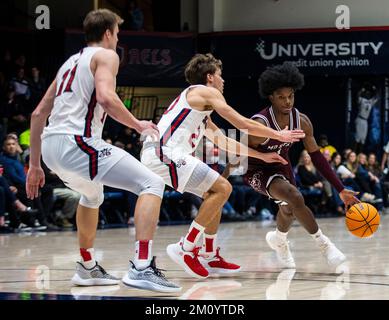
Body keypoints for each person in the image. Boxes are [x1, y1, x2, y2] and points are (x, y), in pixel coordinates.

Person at [25, 9, 180, 293]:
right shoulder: (107, 56)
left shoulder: (68, 64)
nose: (117, 39)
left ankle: (86, 266)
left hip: (50, 147)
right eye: (117, 33)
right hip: (77, 142)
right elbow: (107, 98)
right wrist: (138, 124)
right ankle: (142, 267)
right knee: (152, 183)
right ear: (108, 33)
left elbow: (37, 115)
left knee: (92, 194)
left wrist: (34, 165)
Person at [141, 53, 305, 279]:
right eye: (220, 75)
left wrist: (261, 156)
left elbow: (223, 141)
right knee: (223, 187)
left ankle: (209, 254)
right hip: (163, 152)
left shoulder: (200, 109)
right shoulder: (204, 92)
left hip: (162, 154)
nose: (223, 80)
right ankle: (186, 247)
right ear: (210, 77)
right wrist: (279, 134)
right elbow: (241, 123)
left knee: (215, 192)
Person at [244, 62, 359, 269]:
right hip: (257, 168)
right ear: (271, 96)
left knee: (288, 210)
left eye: (291, 96)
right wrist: (221, 179)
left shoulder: (302, 121)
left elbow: (317, 157)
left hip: (282, 167)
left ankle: (279, 240)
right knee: (295, 197)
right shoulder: (259, 124)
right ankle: (325, 246)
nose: (287, 101)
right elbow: (237, 151)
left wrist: (340, 189)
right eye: (281, 97)